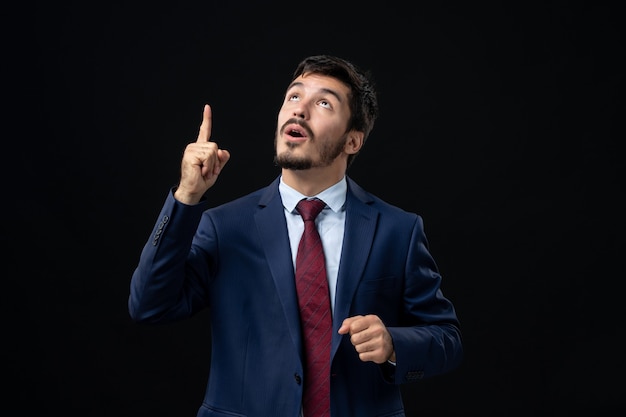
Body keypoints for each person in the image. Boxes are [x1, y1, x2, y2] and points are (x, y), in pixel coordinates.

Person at [128, 54, 463, 417]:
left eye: (323, 103)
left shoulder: (398, 229)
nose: (300, 110)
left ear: (353, 141)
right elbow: (149, 304)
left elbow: (447, 338)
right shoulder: (224, 226)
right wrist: (186, 198)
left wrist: (394, 343)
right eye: (294, 96)